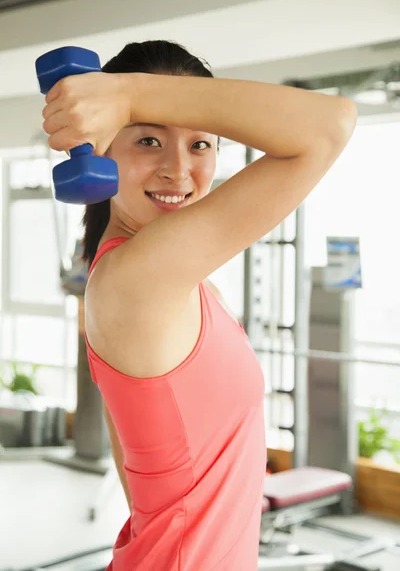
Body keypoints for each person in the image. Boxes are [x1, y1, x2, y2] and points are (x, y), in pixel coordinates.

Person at [41, 39, 357, 570]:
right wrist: (123, 92)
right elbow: (331, 124)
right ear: (101, 149)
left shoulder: (165, 281)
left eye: (201, 146)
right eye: (147, 139)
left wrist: (133, 99)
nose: (178, 171)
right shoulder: (137, 278)